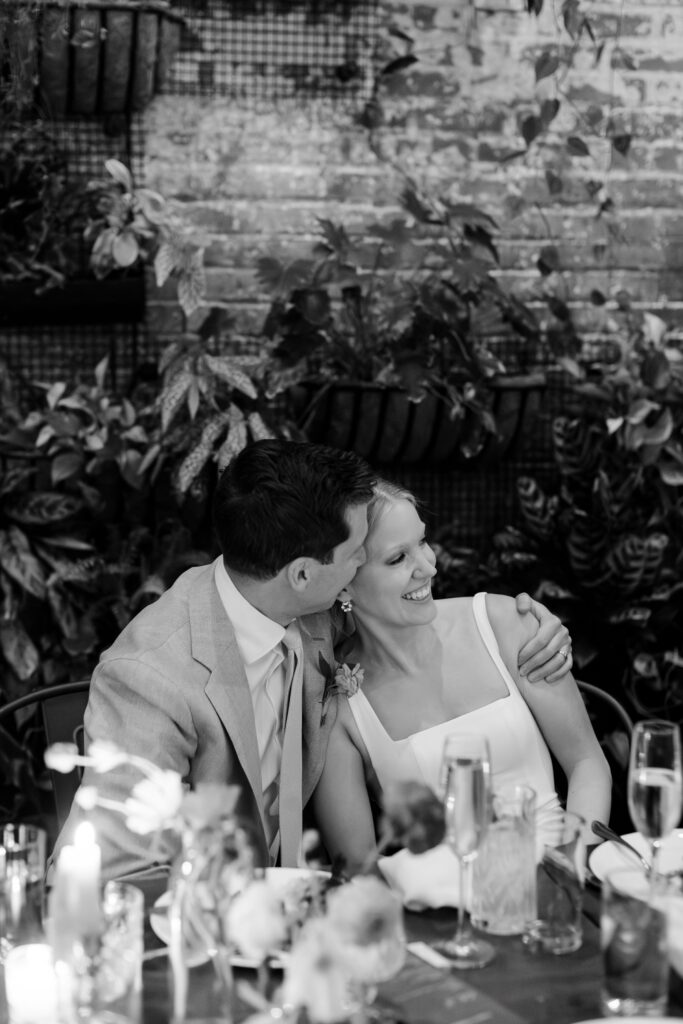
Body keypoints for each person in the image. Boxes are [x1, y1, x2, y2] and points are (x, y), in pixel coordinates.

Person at [54, 441, 573, 885]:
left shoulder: (306, 605)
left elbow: (397, 604)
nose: (357, 570)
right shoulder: (153, 677)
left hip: (303, 905)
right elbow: (117, 874)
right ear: (304, 575)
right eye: (354, 556)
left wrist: (530, 621)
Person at [312, 480, 612, 878]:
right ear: (344, 581)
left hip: (560, 878)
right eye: (398, 558)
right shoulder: (339, 705)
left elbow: (587, 763)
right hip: (445, 911)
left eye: (423, 541)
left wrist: (571, 868)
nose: (428, 566)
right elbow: (358, 867)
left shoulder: (506, 623)